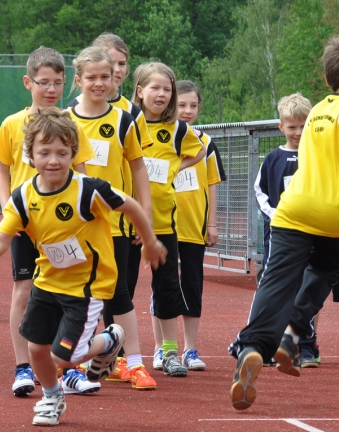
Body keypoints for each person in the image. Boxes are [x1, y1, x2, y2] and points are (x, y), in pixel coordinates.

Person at [0, 108, 167, 426]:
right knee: (36, 350)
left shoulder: (89, 190)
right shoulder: (23, 197)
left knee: (64, 357)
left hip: (86, 288)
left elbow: (129, 205)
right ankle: (52, 397)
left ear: (73, 154)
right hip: (47, 282)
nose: (53, 160)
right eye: (44, 152)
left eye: (62, 152)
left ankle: (109, 339)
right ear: (30, 156)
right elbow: (2, 239)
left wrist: (151, 241)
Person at [228, 33, 339, 410]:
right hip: (333, 214)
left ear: (325, 79)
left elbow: (328, 165)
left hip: (294, 207)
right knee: (324, 272)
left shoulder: (317, 109)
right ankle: (293, 332)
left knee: (276, 281)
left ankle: (253, 346)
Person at [0, 46, 96, 397]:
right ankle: (23, 367)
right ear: (28, 82)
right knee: (24, 290)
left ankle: (67, 368)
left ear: (67, 83)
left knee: (70, 294)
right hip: (26, 220)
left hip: (63, 224)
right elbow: (1, 172)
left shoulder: (72, 124)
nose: (50, 89)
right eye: (43, 82)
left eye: (57, 83)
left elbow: (81, 173)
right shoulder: (11, 124)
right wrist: (10, 211)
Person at [254, 93, 339, 368]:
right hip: (291, 232)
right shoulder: (273, 158)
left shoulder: (323, 155)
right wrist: (277, 217)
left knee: (326, 285)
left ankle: (310, 343)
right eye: (292, 126)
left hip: (330, 229)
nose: (298, 132)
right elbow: (261, 192)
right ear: (281, 127)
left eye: (304, 125)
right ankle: (265, 344)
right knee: (285, 286)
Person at [67, 46, 157, 390]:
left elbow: (138, 167)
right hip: (75, 225)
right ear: (79, 80)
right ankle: (77, 362)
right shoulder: (66, 119)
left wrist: (143, 215)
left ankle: (134, 364)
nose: (99, 83)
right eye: (92, 77)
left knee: (119, 294)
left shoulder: (125, 118)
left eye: (105, 76)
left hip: (116, 224)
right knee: (75, 294)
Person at [130, 62, 206, 377]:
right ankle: (118, 355)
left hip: (163, 225)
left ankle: (169, 352)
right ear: (139, 90)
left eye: (167, 89)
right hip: (126, 224)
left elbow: (200, 151)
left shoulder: (177, 130)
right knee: (119, 290)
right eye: (155, 88)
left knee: (167, 289)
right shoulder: (128, 124)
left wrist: (177, 167)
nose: (161, 94)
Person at [173, 80, 226, 370]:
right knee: (164, 287)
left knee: (192, 285)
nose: (187, 110)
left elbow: (212, 184)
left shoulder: (205, 143)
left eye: (193, 105)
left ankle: (190, 349)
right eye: (181, 105)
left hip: (194, 227)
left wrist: (212, 225)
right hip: (164, 226)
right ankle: (161, 348)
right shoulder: (157, 139)